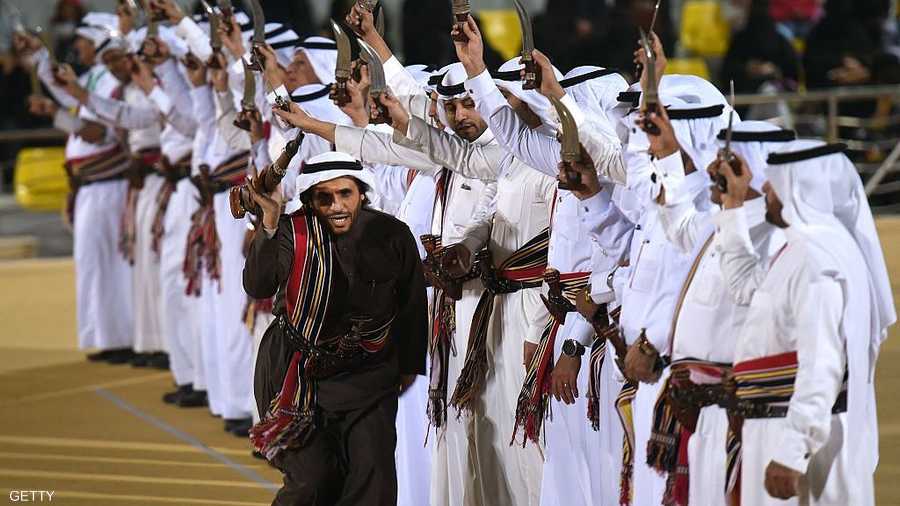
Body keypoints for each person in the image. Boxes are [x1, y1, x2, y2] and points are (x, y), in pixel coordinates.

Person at [244, 151, 428, 505]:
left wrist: (408, 366)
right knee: (312, 483)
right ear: (310, 201)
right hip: (296, 374)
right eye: (324, 198)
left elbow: (411, 303)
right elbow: (258, 286)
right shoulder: (291, 232)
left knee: (373, 481)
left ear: (362, 192)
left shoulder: (392, 234)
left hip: (370, 375)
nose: (337, 205)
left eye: (346, 194)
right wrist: (267, 224)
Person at [714, 139, 878, 505]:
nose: (768, 189)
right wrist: (733, 204)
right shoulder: (801, 251)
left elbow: (822, 364)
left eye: (776, 181)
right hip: (777, 427)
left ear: (800, 187)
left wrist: (792, 451)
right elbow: (743, 286)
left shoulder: (817, 261)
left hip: (792, 435)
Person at [20, 13, 135, 364]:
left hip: (109, 186)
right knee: (94, 264)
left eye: (82, 42)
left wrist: (57, 111)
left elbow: (99, 132)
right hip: (92, 188)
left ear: (99, 40)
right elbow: (67, 94)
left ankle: (124, 338)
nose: (77, 48)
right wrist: (41, 60)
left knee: (111, 266)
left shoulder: (109, 81)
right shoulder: (97, 78)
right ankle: (110, 336)